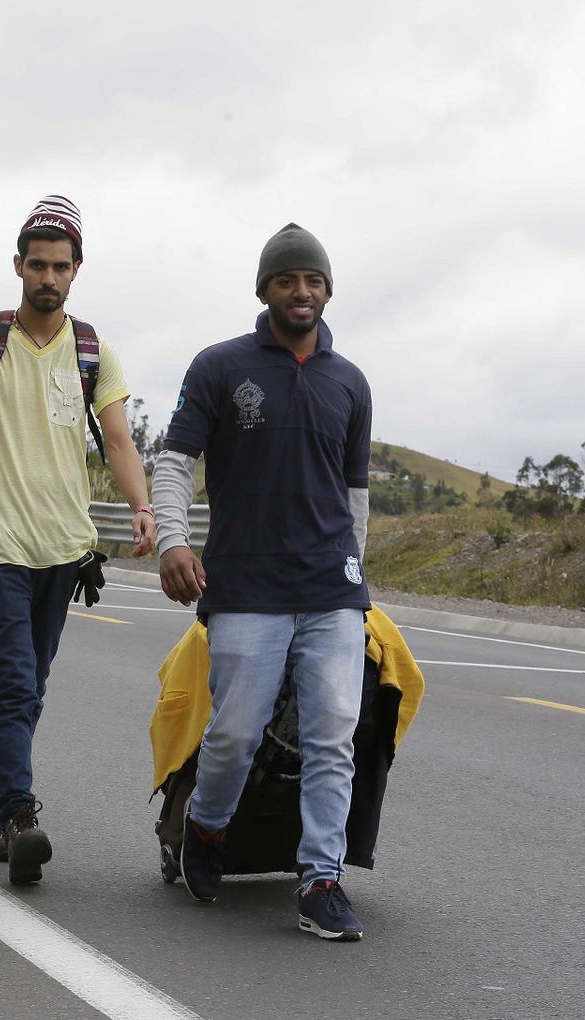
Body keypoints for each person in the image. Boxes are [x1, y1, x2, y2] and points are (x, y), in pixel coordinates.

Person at [155, 222, 373, 942]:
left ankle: (320, 881)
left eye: (313, 280)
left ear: (328, 290)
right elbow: (175, 462)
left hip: (330, 588)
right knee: (235, 734)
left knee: (333, 734)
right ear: (265, 290)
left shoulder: (350, 381)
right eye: (288, 280)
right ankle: (208, 828)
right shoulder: (220, 367)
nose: (301, 291)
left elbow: (355, 492)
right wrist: (173, 541)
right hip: (246, 585)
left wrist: (355, 568)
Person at [0, 195, 155, 885]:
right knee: (11, 679)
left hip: (65, 544)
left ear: (77, 269)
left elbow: (118, 439)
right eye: (37, 265)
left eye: (61, 267)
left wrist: (143, 507)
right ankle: (20, 816)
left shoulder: (94, 351)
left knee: (30, 686)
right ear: (17, 265)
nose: (49, 278)